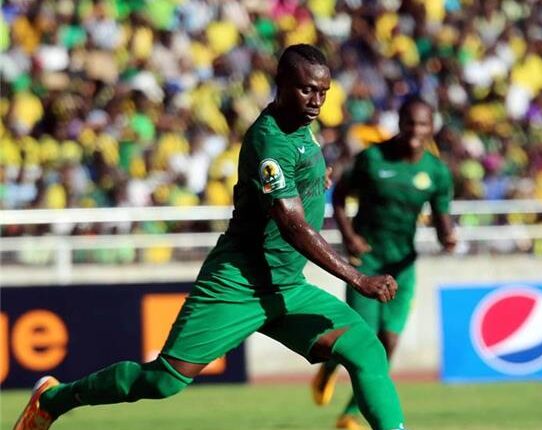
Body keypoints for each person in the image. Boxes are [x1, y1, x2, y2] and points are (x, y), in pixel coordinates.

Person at [14, 44, 407, 430]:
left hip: (286, 285)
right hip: (240, 281)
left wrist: (314, 181)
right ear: (282, 83)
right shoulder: (270, 140)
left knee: (366, 348)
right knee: (163, 381)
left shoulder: (302, 126)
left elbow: (295, 181)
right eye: (308, 90)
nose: (317, 101)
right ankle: (53, 399)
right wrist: (357, 278)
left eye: (323, 91)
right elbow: (292, 225)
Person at [311, 97, 456, 430]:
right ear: (400, 123)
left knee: (388, 343)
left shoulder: (436, 171)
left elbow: (441, 217)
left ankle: (349, 414)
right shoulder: (373, 158)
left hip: (402, 267)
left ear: (431, 127)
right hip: (367, 263)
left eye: (423, 124)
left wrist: (447, 236)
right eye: (410, 123)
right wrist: (349, 236)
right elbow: (339, 196)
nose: (416, 130)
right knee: (360, 338)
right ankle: (329, 368)